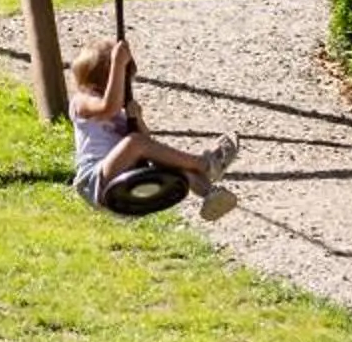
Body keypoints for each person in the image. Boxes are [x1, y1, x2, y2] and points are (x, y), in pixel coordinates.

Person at [70, 36, 239, 221]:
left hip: (122, 181)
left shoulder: (121, 111)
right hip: (94, 177)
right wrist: (118, 62)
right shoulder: (82, 99)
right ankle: (205, 164)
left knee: (170, 162)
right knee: (135, 143)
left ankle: (209, 193)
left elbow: (148, 144)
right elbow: (109, 108)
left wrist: (137, 120)